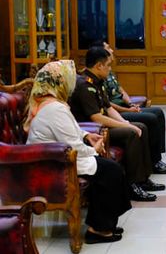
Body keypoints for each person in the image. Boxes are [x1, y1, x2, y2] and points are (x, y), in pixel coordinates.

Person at [25, 60, 131, 244]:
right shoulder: (54, 108)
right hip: (56, 162)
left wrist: (87, 135)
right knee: (110, 171)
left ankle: (104, 223)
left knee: (110, 169)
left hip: (58, 157)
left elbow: (69, 130)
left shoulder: (50, 102)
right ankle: (97, 229)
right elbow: (71, 144)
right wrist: (94, 149)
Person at [70, 46, 163, 202]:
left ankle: (143, 179)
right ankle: (132, 185)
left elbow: (108, 107)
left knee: (140, 127)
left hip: (103, 125)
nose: (110, 69)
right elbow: (97, 117)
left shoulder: (97, 81)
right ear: (99, 66)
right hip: (93, 130)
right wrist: (127, 126)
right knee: (132, 133)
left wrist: (125, 122)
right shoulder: (84, 85)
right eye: (108, 65)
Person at [90, 40, 166, 174]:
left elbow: (119, 91)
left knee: (157, 112)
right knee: (148, 121)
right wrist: (127, 115)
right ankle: (147, 169)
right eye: (107, 48)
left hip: (118, 111)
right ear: (99, 63)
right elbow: (106, 108)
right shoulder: (93, 81)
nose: (111, 50)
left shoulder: (105, 74)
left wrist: (130, 104)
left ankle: (156, 158)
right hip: (111, 116)